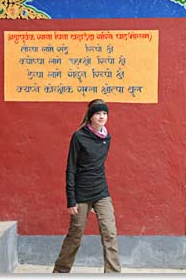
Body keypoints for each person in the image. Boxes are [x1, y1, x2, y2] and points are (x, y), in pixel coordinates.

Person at [53, 99, 121, 273]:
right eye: (98, 113)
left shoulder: (107, 137)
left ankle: (113, 273)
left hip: (101, 192)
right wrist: (71, 199)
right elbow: (71, 168)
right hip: (81, 193)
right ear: (90, 116)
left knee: (110, 233)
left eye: (105, 113)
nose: (102, 116)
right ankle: (60, 272)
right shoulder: (79, 137)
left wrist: (101, 189)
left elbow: (98, 166)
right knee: (75, 236)